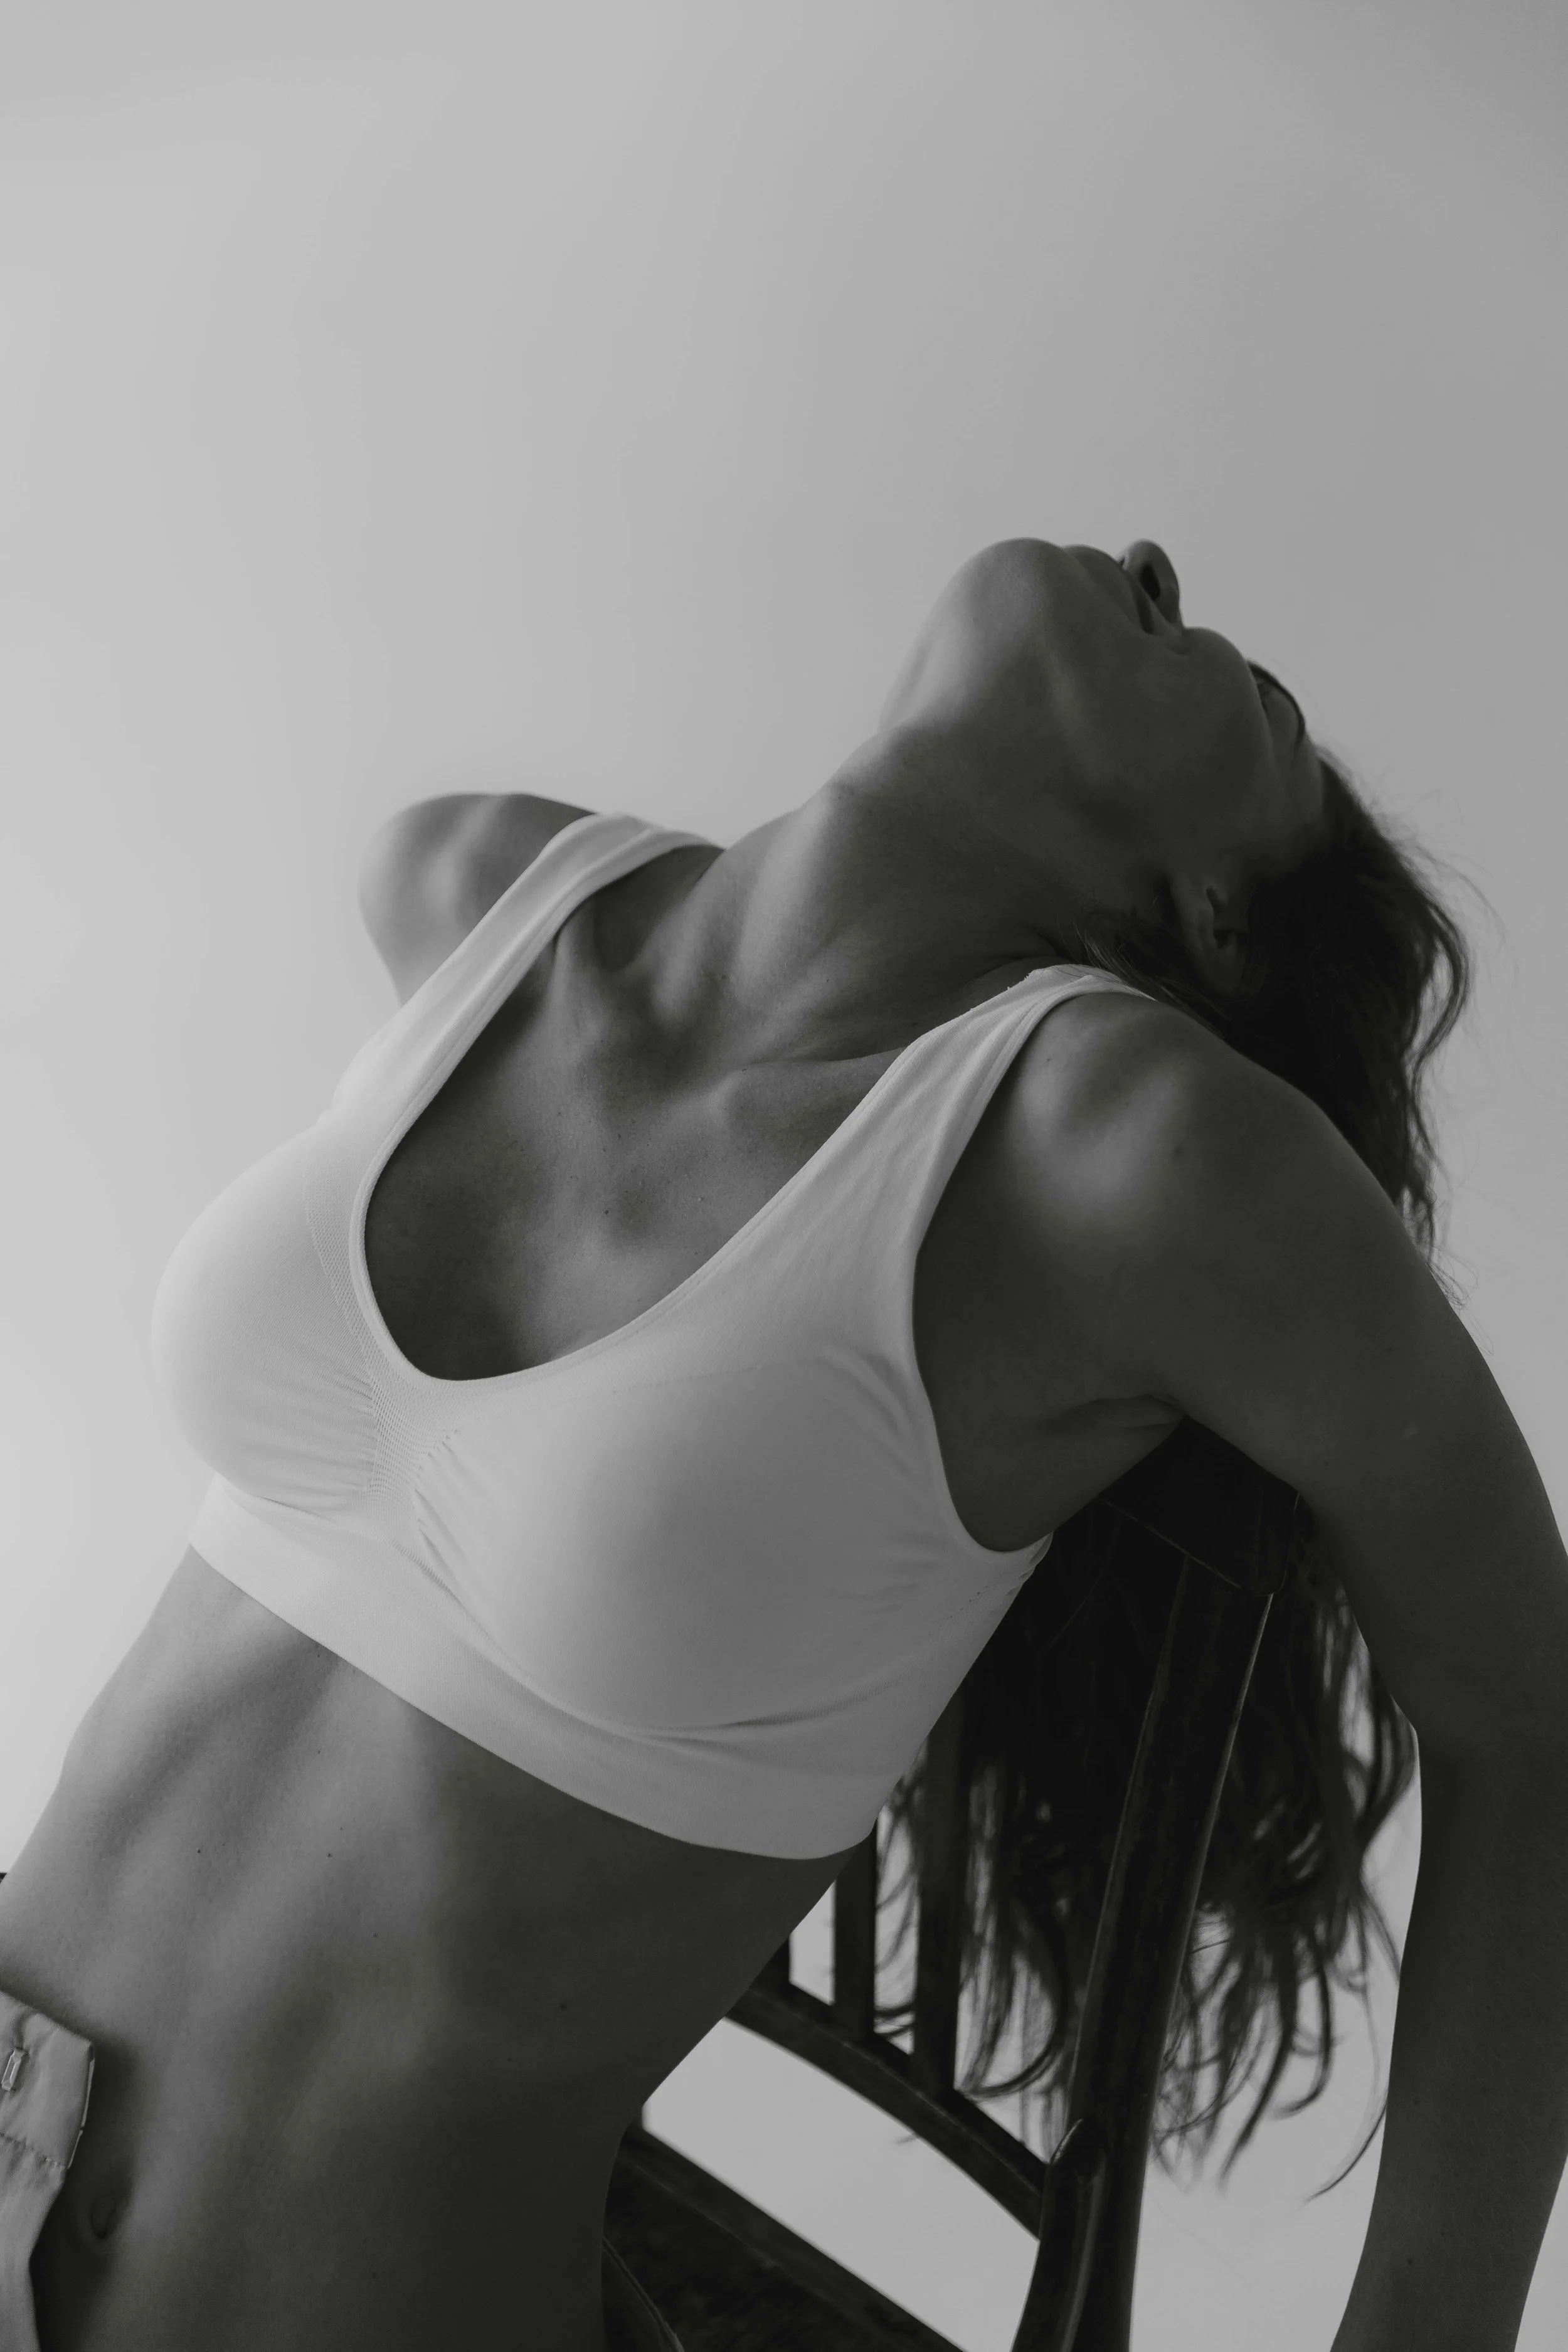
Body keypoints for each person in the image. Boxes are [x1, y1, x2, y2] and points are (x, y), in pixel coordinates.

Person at [0, 537, 1564, 2352]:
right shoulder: (476, 886)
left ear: (1210, 912)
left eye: (1259, 700)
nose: (1154, 558)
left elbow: (1531, 1721)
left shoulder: (1127, 1158)